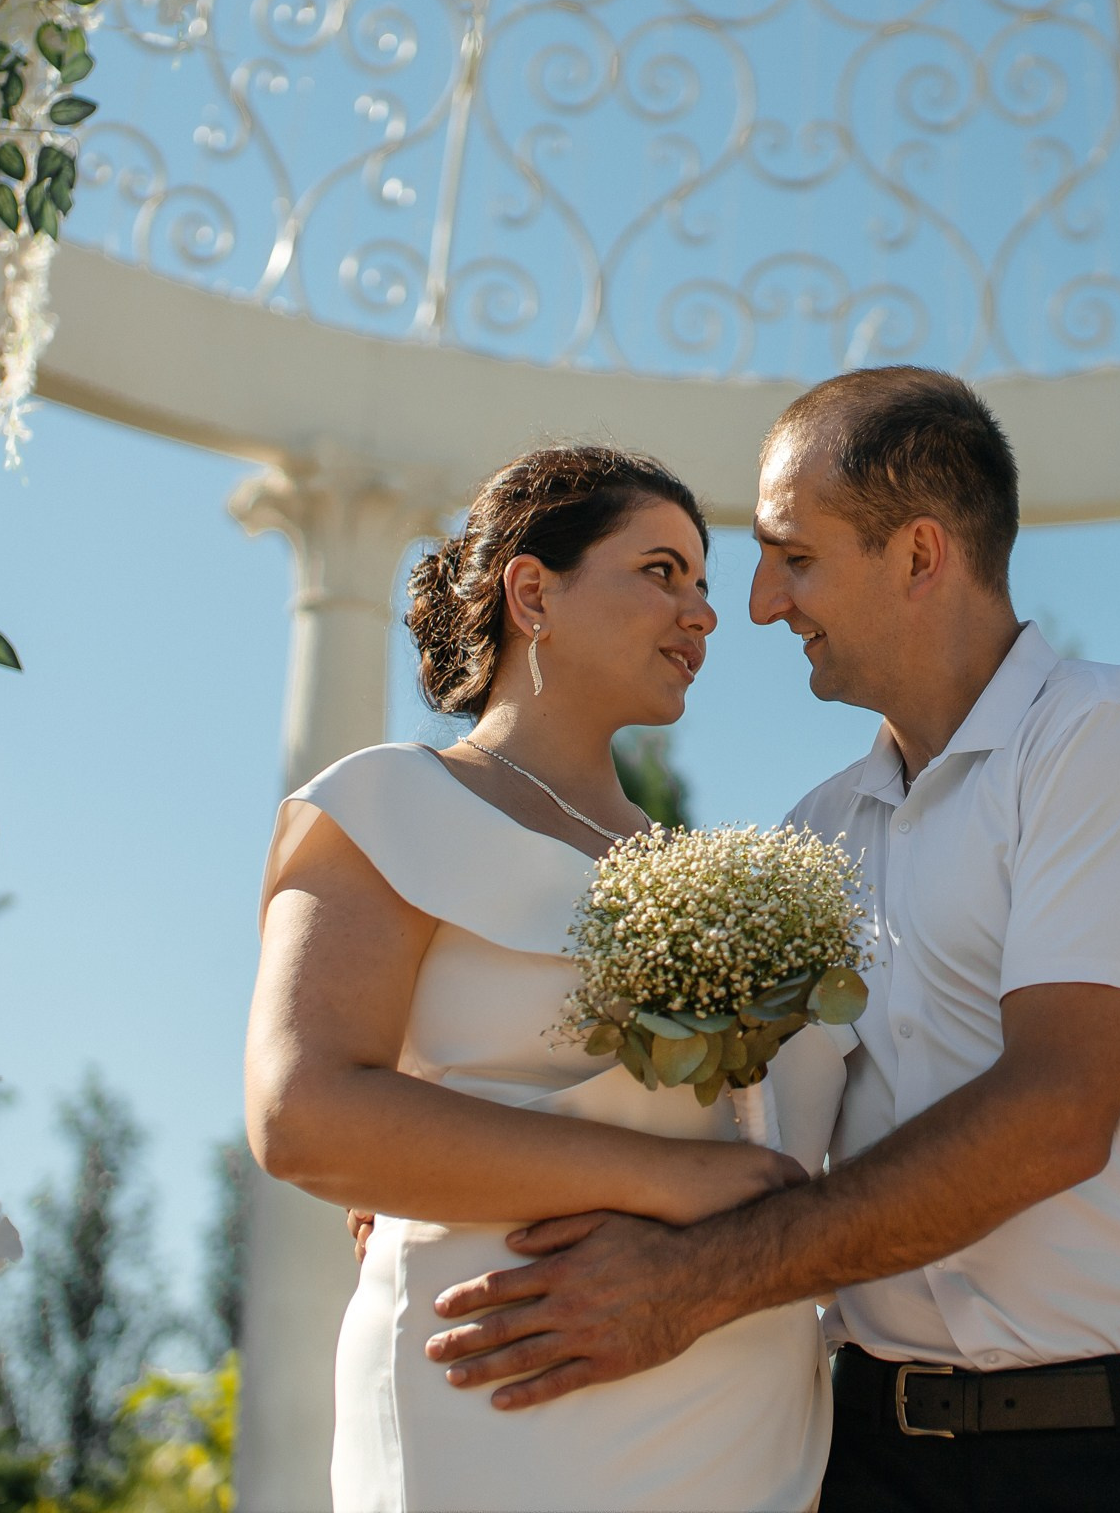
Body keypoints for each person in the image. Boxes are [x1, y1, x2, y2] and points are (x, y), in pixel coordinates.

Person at [423, 368, 1120, 1513]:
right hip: (876, 1465)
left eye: (793, 556)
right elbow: (720, 1115)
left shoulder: (1110, 739)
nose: (755, 604)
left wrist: (693, 1284)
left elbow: (1056, 1115)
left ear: (919, 556)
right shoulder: (816, 834)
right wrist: (456, 1169)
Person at [244, 443, 843, 1512]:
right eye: (662, 572)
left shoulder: (689, 871)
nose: (703, 613)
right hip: (503, 1393)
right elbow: (304, 1114)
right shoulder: (388, 804)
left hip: (741, 1431)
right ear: (534, 591)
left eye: (703, 583)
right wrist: (673, 1183)